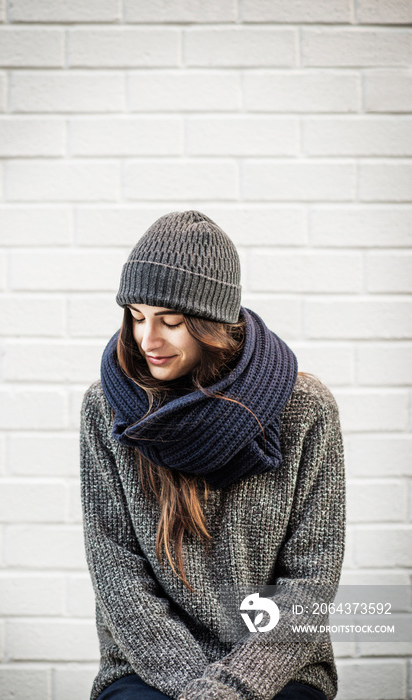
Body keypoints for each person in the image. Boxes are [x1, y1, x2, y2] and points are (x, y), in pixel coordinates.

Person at [80, 211, 345, 700]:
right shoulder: (108, 407)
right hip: (147, 668)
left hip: (275, 669)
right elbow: (117, 574)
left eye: (171, 321)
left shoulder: (304, 410)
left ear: (212, 322)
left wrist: (230, 689)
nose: (147, 340)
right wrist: (194, 690)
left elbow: (310, 580)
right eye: (137, 317)